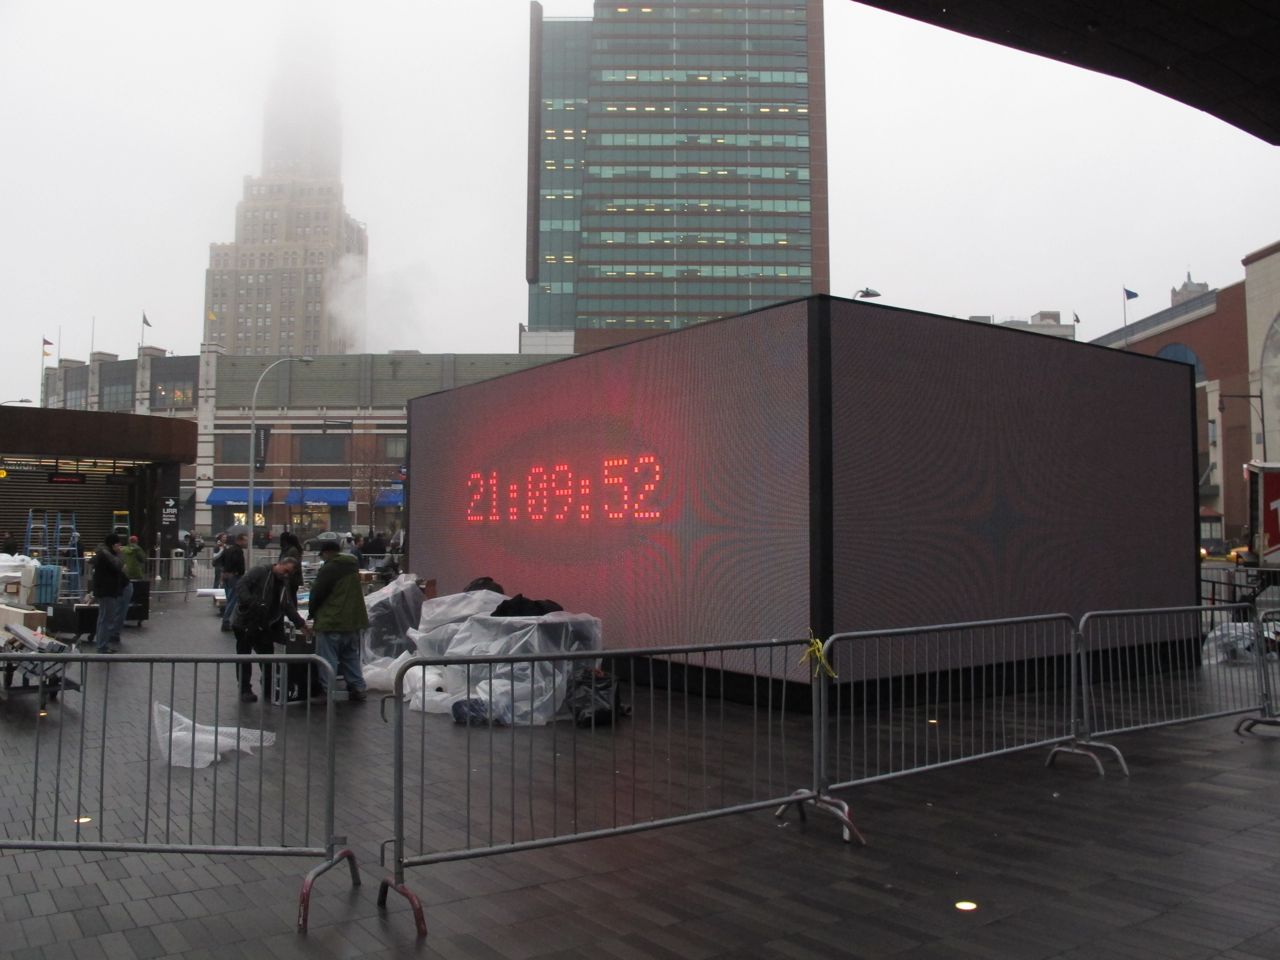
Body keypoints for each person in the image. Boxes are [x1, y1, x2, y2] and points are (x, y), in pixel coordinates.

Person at [231, 555, 310, 703]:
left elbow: (287, 605)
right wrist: (251, 602)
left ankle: (269, 688)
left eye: (289, 573)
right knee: (244, 656)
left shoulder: (283, 583)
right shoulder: (260, 571)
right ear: (279, 564)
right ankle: (245, 689)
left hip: (264, 624)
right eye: (285, 571)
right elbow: (241, 585)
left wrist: (300, 623)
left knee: (267, 657)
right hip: (245, 622)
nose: (286, 575)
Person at [308, 539, 369, 701]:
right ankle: (358, 687)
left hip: (331, 620)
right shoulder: (352, 565)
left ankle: (328, 691)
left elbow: (317, 593)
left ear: (327, 553)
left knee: (327, 659)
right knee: (350, 656)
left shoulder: (330, 568)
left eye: (322, 555)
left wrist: (311, 613)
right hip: (352, 621)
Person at [90, 533, 128, 653]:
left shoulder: (103, 554)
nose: (119, 547)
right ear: (113, 544)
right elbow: (119, 565)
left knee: (104, 618)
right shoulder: (107, 555)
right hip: (108, 591)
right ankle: (102, 646)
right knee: (106, 619)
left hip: (105, 590)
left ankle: (102, 644)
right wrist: (120, 554)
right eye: (118, 544)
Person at [114, 534, 147, 643]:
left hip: (125, 575)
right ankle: (135, 615)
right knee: (136, 596)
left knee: (121, 601)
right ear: (136, 541)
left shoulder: (123, 549)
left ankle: (119, 622)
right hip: (136, 574)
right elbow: (143, 559)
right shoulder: (137, 549)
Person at [220, 532, 247, 633]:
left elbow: (222, 560)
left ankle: (228, 620)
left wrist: (224, 572)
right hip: (235, 576)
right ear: (240, 540)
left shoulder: (228, 549)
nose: (246, 542)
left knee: (230, 598)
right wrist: (238, 572)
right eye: (245, 540)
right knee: (233, 600)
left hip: (228, 576)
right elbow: (238, 564)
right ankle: (226, 621)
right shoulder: (238, 551)